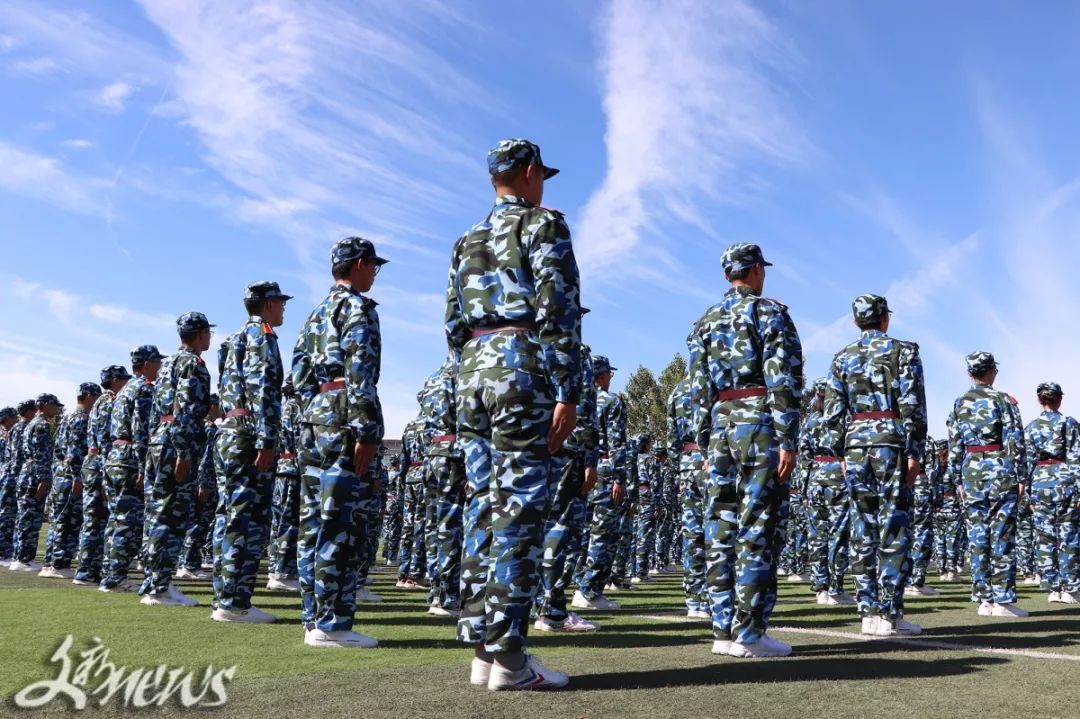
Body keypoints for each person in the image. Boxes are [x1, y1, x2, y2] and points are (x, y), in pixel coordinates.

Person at [446, 138, 580, 690]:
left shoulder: (465, 239)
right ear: (527, 173)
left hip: (473, 372)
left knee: (481, 509)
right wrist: (569, 389)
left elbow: (453, 324)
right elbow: (559, 310)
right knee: (520, 514)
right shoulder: (543, 226)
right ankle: (510, 659)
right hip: (522, 368)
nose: (542, 183)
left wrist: (466, 377)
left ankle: (482, 647)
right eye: (540, 174)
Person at [688, 242, 803, 659]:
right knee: (757, 527)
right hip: (757, 423)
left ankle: (722, 631)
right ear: (755, 271)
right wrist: (788, 438)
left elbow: (696, 389)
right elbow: (782, 378)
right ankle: (750, 632)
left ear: (726, 276)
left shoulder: (704, 322)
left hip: (719, 425)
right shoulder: (768, 312)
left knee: (719, 527)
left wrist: (704, 440)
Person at [292, 236, 387, 648]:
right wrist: (366, 429)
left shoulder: (314, 313)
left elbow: (297, 376)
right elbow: (361, 372)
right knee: (340, 526)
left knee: (312, 523)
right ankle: (332, 625)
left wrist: (315, 410)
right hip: (345, 418)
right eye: (373, 266)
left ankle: (313, 618)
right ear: (360, 264)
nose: (374, 274)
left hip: (315, 419)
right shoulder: (357, 308)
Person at [824, 294, 926, 637]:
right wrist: (915, 452)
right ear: (885, 318)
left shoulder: (842, 357)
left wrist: (840, 453)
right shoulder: (904, 351)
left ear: (856, 322)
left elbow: (833, 414)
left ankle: (868, 611)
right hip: (891, 441)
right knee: (893, 527)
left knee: (862, 527)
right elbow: (913, 404)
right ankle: (890, 614)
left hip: (855, 446)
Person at [213, 281, 290, 623]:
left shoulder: (232, 339)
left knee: (229, 517)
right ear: (268, 304)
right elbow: (264, 392)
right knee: (248, 521)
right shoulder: (262, 334)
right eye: (280, 302)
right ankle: (234, 602)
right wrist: (268, 440)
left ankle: (226, 597)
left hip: (230, 432)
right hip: (248, 436)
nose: (283, 308)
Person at [946, 351, 1028, 617]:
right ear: (992, 371)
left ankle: (984, 599)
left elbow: (954, 444)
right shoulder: (1003, 400)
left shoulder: (960, 402)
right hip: (999, 467)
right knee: (1002, 533)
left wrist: (957, 478)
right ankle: (1002, 600)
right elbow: (1014, 440)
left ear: (970, 373)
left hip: (971, 469)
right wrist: (1021, 475)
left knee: (977, 536)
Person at [140, 312, 213, 607]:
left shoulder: (168, 363)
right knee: (171, 516)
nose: (210, 337)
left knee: (158, 514)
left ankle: (154, 582)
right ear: (199, 334)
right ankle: (160, 587)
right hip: (175, 445)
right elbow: (185, 408)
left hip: (160, 441)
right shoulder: (192, 364)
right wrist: (184, 451)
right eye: (207, 332)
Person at [100, 345, 164, 592]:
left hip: (115, 457)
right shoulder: (143, 389)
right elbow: (141, 430)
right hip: (130, 459)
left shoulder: (124, 391)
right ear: (147, 364)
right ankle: (115, 577)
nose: (159, 367)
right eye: (157, 362)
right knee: (129, 522)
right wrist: (142, 463)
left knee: (116, 521)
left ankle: (110, 573)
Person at [572, 355, 627, 611]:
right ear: (602, 376)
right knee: (605, 534)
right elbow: (617, 443)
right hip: (604, 469)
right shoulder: (611, 401)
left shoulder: (575, 398)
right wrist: (619, 478)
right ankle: (590, 591)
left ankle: (575, 584)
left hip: (577, 467)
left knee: (581, 532)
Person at [1022, 382, 1080, 603]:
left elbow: (1026, 463)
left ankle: (1052, 588)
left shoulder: (1031, 427)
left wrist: (1027, 493)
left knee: (1044, 538)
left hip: (1039, 483)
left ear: (1040, 400)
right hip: (1065, 482)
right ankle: (1070, 588)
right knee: (1068, 535)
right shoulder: (1068, 424)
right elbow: (1076, 458)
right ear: (1059, 399)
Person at [74, 367, 130, 586]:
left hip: (94, 464)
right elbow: (109, 438)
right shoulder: (109, 402)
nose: (127, 383)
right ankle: (90, 570)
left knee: (95, 519)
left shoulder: (99, 402)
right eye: (124, 379)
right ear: (115, 381)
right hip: (102, 463)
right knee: (100, 519)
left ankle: (88, 569)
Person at [800, 378, 854, 606]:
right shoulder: (844, 419)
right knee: (838, 534)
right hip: (838, 478)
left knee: (817, 535)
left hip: (815, 479)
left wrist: (804, 487)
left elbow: (804, 456)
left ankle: (820, 587)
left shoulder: (810, 421)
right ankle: (835, 587)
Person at [41, 382, 101, 578]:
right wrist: (77, 476)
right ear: (89, 396)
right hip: (71, 476)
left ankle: (51, 562)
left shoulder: (67, 417)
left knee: (59, 520)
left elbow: (59, 450)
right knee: (68, 521)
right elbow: (75, 451)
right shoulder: (81, 419)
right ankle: (59, 564)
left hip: (61, 474)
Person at [667, 376, 709, 619]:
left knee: (692, 534)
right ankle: (711, 599)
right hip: (710, 460)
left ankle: (693, 599)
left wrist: (679, 466)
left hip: (686, 463)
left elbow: (672, 435)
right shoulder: (713, 382)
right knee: (717, 530)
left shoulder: (677, 389)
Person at [10, 394, 64, 571]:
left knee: (25, 516)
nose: (56, 409)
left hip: (28, 473)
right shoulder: (40, 425)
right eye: (54, 405)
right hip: (34, 475)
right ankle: (23, 559)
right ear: (44, 405)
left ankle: (20, 557)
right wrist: (43, 479)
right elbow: (40, 455)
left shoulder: (31, 424)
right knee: (30, 518)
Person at [266, 380, 302, 592]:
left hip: (283, 467)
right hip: (293, 468)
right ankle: (283, 573)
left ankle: (276, 569)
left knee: (279, 522)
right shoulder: (295, 407)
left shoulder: (282, 406)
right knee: (289, 522)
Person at [1, 400, 37, 566]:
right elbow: (17, 456)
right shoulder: (21, 428)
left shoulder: (15, 429)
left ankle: (8, 551)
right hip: (13, 474)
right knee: (9, 515)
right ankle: (4, 552)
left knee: (11, 515)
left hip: (11, 474)